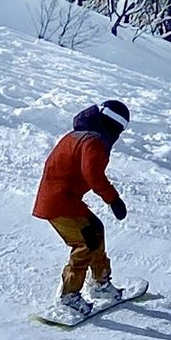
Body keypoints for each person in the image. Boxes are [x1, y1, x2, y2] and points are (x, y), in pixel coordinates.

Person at [33, 99, 131, 315]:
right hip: (59, 202)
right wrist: (113, 199)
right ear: (112, 127)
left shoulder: (79, 135)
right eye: (119, 130)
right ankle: (69, 296)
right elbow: (93, 174)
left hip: (63, 199)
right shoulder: (93, 141)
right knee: (85, 241)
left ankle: (100, 283)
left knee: (95, 229)